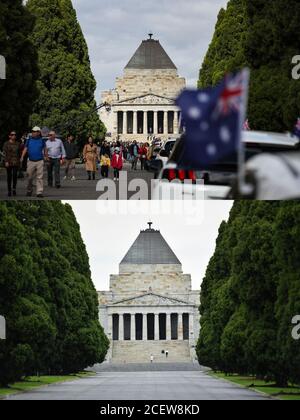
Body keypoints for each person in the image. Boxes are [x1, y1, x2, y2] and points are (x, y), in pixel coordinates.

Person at [21, 126, 48, 198]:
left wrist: (46, 156)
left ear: (39, 132)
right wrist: (22, 156)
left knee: (40, 177)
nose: (33, 132)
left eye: (35, 131)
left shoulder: (42, 140)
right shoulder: (29, 140)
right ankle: (29, 190)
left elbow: (45, 149)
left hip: (40, 161)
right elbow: (25, 149)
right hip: (31, 161)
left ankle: (39, 192)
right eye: (32, 131)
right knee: (29, 177)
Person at [3, 131, 21, 197]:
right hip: (9, 162)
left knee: (15, 176)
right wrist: (6, 161)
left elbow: (19, 153)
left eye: (15, 135)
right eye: (12, 134)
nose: (14, 136)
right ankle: (9, 190)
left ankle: (14, 189)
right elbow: (4, 154)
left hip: (16, 162)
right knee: (9, 176)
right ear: (9, 136)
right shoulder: (6, 143)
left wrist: (20, 161)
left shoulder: (18, 143)